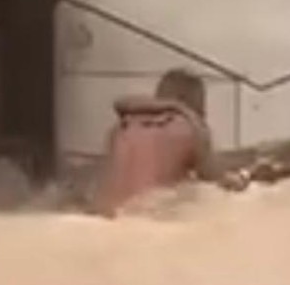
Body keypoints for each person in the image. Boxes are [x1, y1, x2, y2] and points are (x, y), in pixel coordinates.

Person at [93, 68, 245, 217]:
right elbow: (216, 178)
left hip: (106, 220)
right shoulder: (189, 127)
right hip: (149, 222)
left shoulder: (120, 128)